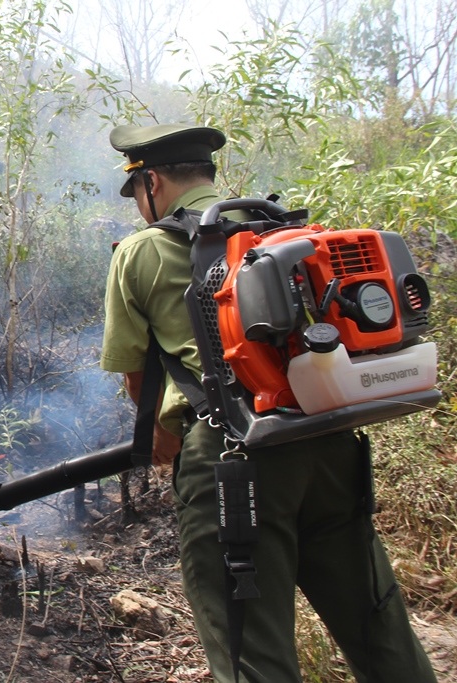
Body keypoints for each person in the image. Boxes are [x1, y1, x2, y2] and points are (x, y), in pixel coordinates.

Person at [100, 122, 438, 682]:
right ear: (208, 173)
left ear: (151, 182)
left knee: (252, 654)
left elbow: (141, 383)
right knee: (382, 634)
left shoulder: (142, 251)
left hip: (233, 464)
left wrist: (165, 445)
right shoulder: (282, 233)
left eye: (139, 191)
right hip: (331, 442)